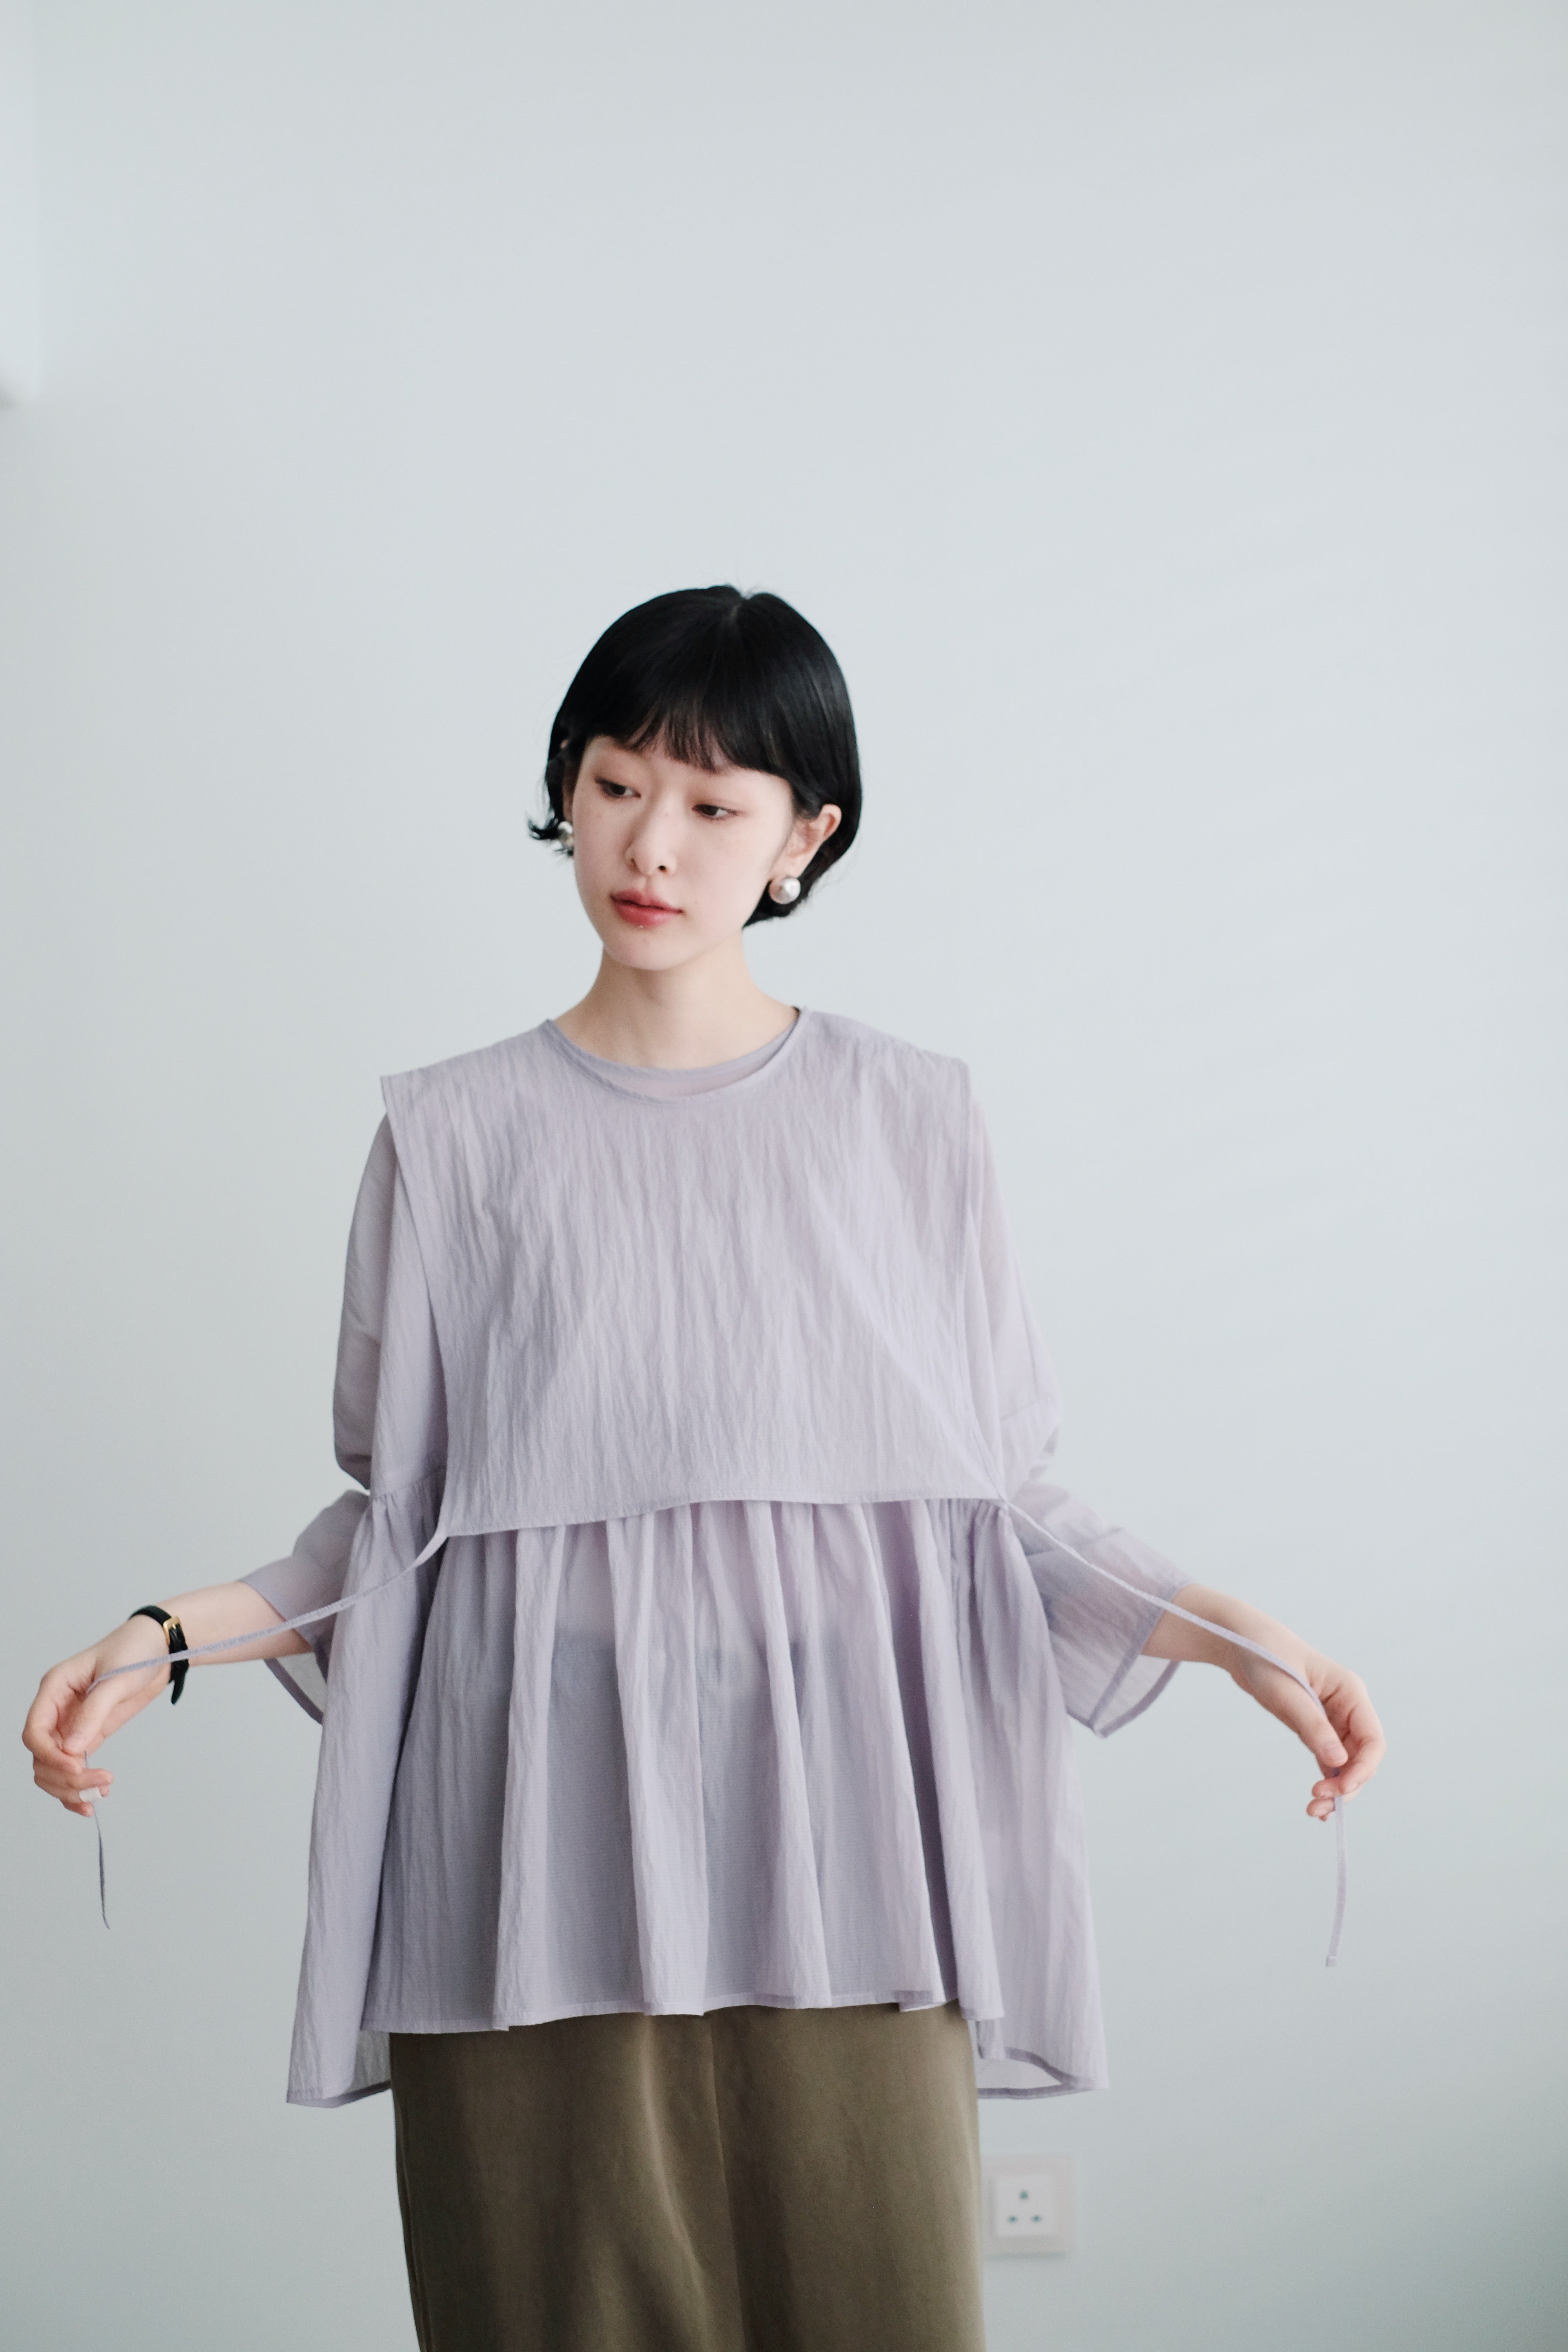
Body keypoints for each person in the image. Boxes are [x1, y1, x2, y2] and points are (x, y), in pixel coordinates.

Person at [23, 586, 1386, 2352]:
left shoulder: (911, 1120)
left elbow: (996, 1508)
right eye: (613, 786)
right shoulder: (450, 1138)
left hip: (844, 1858)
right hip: (529, 1862)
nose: (650, 847)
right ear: (565, 790)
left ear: (805, 837)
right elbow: (406, 1531)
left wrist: (1245, 1642)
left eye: (714, 805)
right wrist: (164, 1638)